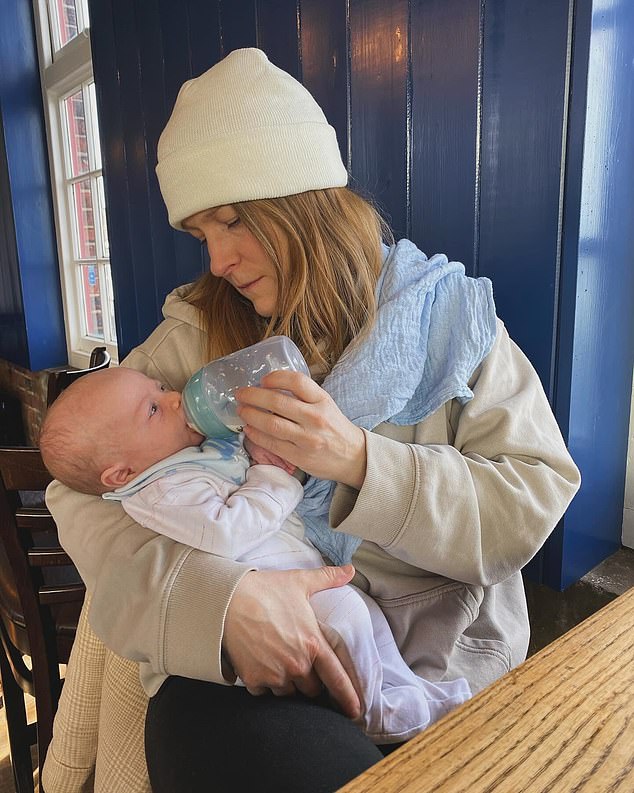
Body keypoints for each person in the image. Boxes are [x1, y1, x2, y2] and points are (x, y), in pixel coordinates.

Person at [42, 47, 581, 793]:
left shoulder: (453, 323)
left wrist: (364, 460)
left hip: (441, 673)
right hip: (273, 671)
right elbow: (80, 489)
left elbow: (533, 499)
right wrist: (221, 604)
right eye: (202, 234)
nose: (221, 259)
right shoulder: (197, 337)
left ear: (306, 198)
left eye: (234, 221)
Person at [39, 366, 471, 745]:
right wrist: (273, 475)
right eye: (152, 410)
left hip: (302, 574)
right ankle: (377, 713)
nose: (173, 398)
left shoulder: (183, 456)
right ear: (121, 474)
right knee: (352, 622)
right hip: (276, 595)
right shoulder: (161, 490)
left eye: (159, 388)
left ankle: (409, 692)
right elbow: (229, 530)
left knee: (368, 619)